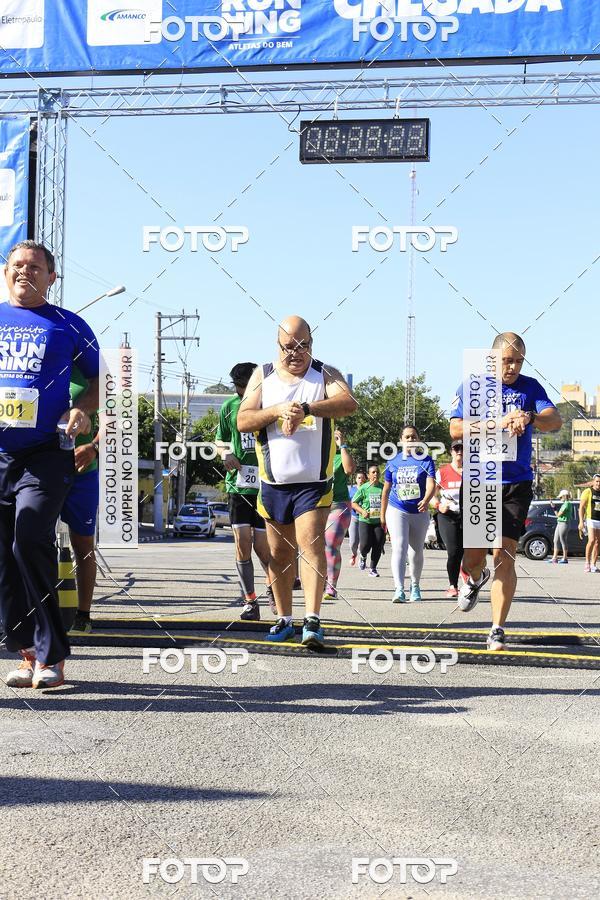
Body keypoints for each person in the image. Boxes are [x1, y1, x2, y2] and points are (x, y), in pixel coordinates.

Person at [0, 241, 99, 689]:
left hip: (47, 454)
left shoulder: (69, 326)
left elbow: (99, 380)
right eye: (17, 265)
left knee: (29, 537)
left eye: (34, 267)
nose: (25, 272)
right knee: (5, 554)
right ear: (6, 273)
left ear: (51, 277)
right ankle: (25, 653)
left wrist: (82, 409)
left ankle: (52, 654)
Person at [237, 315, 356, 649]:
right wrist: (277, 411)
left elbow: (348, 403)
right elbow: (243, 420)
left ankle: (313, 619)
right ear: (278, 346)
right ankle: (285, 618)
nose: (296, 353)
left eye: (303, 346)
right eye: (289, 347)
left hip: (313, 482)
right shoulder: (263, 375)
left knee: (311, 545)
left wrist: (305, 408)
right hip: (274, 483)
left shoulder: (325, 373)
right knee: (279, 554)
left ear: (312, 345)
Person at [450, 332, 562, 651]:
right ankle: (473, 578)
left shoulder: (530, 387)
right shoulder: (474, 386)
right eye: (506, 360)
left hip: (516, 482)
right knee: (474, 557)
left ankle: (497, 628)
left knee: (505, 555)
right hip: (481, 480)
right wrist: (498, 423)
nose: (511, 367)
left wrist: (529, 417)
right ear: (493, 358)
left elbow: (554, 420)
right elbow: (455, 428)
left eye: (517, 361)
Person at [216, 362, 274, 621]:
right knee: (242, 546)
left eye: (244, 389)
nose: (240, 394)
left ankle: (275, 591)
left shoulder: (271, 403)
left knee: (264, 549)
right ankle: (250, 601)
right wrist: (225, 453)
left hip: (267, 486)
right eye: (238, 390)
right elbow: (220, 439)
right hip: (238, 486)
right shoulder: (229, 407)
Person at [380, 425, 436, 602]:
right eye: (407, 437)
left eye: (413, 437)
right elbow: (386, 490)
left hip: (419, 511)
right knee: (399, 547)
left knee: (416, 550)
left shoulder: (426, 460)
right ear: (401, 441)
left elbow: (431, 484)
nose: (410, 440)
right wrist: (382, 516)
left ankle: (415, 585)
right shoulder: (393, 461)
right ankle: (398, 589)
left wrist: (426, 499)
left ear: (418, 440)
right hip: (397, 509)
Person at [64, 364, 101, 636]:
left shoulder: (91, 375)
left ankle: (83, 615)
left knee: (83, 545)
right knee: (26, 540)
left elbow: (117, 419)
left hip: (82, 475)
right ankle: (26, 614)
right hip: (40, 471)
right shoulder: (31, 368)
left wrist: (94, 447)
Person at [323, 429, 355, 601]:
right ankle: (318, 580)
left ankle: (331, 586)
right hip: (316, 506)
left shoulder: (340, 457)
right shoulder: (316, 456)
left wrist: (341, 444)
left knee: (330, 544)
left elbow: (349, 469)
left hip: (338, 506)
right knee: (314, 548)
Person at [433, 440, 464, 597]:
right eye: (456, 448)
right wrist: (438, 505)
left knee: (468, 552)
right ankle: (453, 585)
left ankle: (467, 577)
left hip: (468, 515)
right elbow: (430, 495)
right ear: (451, 452)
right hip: (447, 516)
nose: (459, 451)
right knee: (453, 551)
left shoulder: (473, 471)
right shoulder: (442, 472)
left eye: (462, 448)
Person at [351, 465, 385, 577]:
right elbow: (353, 503)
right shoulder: (364, 488)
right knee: (365, 544)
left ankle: (373, 568)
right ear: (369, 475)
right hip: (365, 521)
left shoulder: (383, 488)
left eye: (377, 472)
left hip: (378, 521)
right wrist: (362, 511)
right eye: (373, 472)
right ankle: (363, 556)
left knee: (378, 544)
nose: (376, 474)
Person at [579, 474, 600, 573]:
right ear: (593, 482)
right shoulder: (588, 491)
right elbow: (581, 507)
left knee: (597, 543)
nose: (598, 483)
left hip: (599, 520)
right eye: (597, 481)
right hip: (590, 519)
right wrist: (581, 522)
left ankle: (593, 564)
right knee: (591, 540)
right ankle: (587, 563)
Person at [549, 489, 573, 565]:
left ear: (564, 496)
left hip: (564, 523)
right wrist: (554, 507)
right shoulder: (565, 504)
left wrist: (553, 508)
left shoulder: (567, 504)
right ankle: (554, 558)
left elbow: (558, 515)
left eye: (561, 497)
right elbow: (558, 515)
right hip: (560, 523)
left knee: (563, 540)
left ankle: (565, 558)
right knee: (555, 540)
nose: (560, 498)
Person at [348, 470, 366, 566]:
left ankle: (362, 557)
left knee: (363, 541)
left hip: (365, 519)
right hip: (354, 518)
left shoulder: (367, 489)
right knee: (353, 542)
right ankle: (354, 554)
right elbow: (347, 502)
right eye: (359, 478)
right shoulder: (352, 490)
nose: (361, 480)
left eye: (363, 478)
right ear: (356, 479)